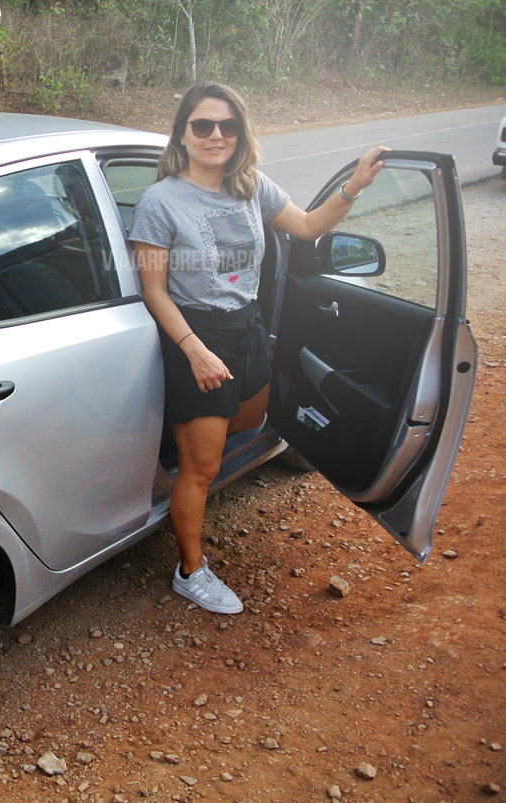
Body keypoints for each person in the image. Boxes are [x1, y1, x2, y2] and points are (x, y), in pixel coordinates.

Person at [129, 81, 388, 614]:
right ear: (183, 133)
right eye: (203, 125)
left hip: (246, 327)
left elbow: (310, 226)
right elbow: (153, 289)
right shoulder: (160, 202)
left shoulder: (253, 187)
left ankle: (192, 487)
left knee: (248, 420)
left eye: (227, 125)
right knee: (200, 467)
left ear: (240, 133)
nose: (216, 135)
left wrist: (353, 186)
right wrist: (194, 350)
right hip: (193, 334)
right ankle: (190, 570)